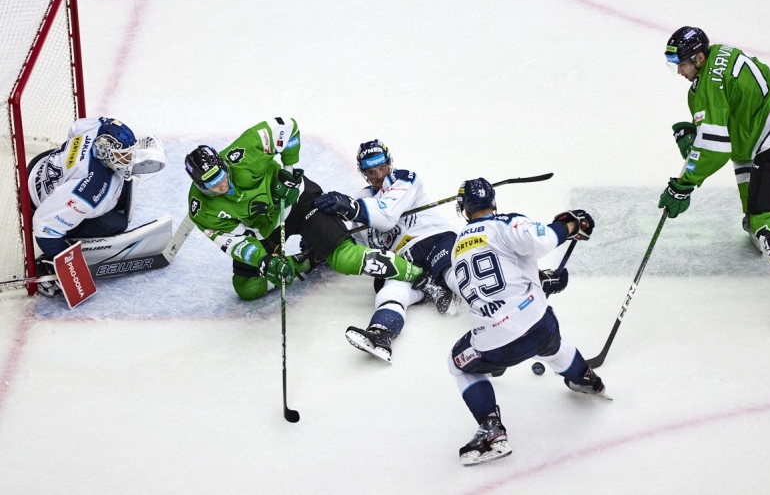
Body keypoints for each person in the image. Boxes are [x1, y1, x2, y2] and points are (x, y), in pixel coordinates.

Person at [445, 178, 608, 466]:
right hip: (538, 325)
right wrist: (571, 225)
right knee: (553, 346)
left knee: (458, 363)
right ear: (493, 203)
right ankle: (585, 378)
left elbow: (486, 289)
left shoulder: (458, 247)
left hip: (493, 341)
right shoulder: (506, 222)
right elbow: (543, 239)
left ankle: (491, 430)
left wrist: (540, 279)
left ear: (464, 210)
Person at [185, 119, 432, 301]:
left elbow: (287, 127)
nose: (221, 185)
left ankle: (419, 275)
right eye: (210, 184)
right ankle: (307, 261)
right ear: (198, 184)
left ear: (223, 163)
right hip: (262, 228)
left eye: (221, 175)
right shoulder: (200, 209)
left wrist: (289, 172)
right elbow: (233, 241)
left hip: (298, 201)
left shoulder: (246, 150)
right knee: (248, 288)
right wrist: (263, 261)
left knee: (345, 259)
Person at [660, 26, 770, 330]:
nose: (679, 71)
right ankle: (756, 227)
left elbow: (715, 148)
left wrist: (683, 185)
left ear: (698, 58)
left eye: (682, 64)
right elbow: (729, 118)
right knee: (753, 214)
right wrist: (698, 134)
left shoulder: (706, 86)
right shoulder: (718, 56)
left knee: (763, 214)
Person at [313, 139, 456, 362]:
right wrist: (323, 240)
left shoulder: (405, 179)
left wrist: (350, 207)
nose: (379, 175)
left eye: (382, 167)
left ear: (390, 163)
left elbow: (387, 215)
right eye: (372, 171)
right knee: (390, 290)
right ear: (364, 173)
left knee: (451, 272)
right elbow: (354, 237)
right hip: (405, 260)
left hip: (431, 239)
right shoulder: (362, 198)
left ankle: (493, 304)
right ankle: (381, 334)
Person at [28, 117, 139, 297]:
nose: (128, 160)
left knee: (121, 187)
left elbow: (75, 128)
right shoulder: (89, 189)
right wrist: (60, 261)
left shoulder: (99, 127)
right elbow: (44, 225)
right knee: (118, 223)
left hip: (37, 169)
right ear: (105, 150)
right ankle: (48, 263)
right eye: (122, 155)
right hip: (39, 203)